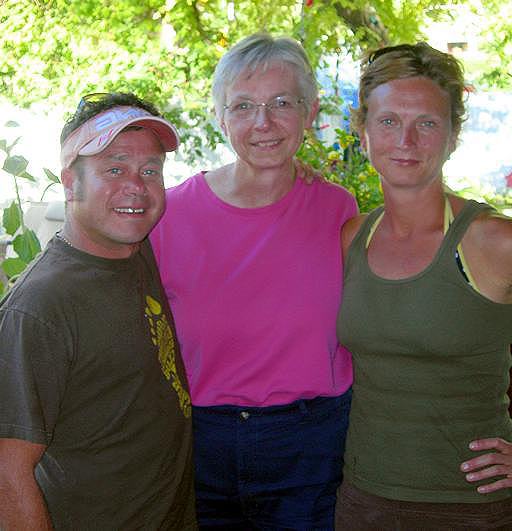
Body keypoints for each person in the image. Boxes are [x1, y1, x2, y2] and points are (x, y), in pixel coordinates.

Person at [150, 33, 357, 529]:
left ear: (310, 113)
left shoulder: (337, 210)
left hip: (310, 447)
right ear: (220, 117)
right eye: (242, 106)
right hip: (199, 444)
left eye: (282, 103)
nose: (263, 123)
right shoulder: (168, 214)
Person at [0, 93, 197, 530]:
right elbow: (7, 473)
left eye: (150, 170)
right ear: (71, 182)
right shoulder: (40, 308)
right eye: (114, 168)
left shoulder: (133, 250)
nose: (136, 186)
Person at [335, 42, 512, 530]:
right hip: (364, 499)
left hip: (473, 508)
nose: (406, 140)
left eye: (427, 123)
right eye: (388, 121)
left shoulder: (494, 241)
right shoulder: (354, 236)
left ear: (453, 135)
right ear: (364, 132)